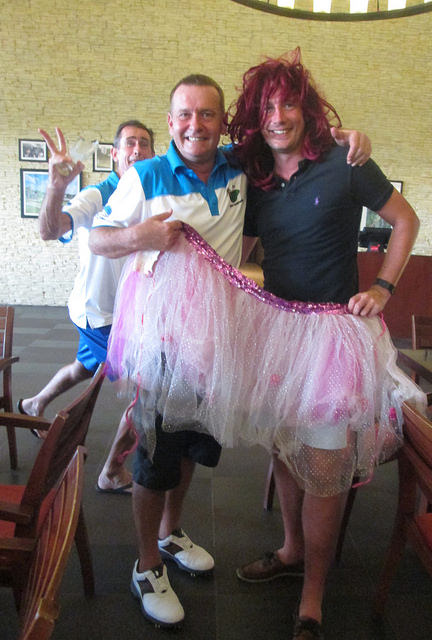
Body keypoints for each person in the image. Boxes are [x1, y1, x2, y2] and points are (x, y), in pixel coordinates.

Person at [89, 74, 371, 628]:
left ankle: (170, 534)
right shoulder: (145, 175)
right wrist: (140, 237)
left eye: (207, 115)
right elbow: (97, 237)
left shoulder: (240, 170)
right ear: (170, 121)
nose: (195, 125)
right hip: (162, 348)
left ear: (224, 123)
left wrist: (344, 136)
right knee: (153, 459)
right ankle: (146, 565)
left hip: (217, 347)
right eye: (184, 114)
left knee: (192, 448)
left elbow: (291, 140)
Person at [226, 49, 423, 640]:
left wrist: (383, 287)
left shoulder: (346, 161)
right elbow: (240, 244)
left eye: (288, 104)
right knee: (285, 449)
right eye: (267, 109)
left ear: (307, 109)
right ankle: (291, 550)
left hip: (335, 337)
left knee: (327, 468)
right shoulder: (256, 175)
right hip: (278, 334)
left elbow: (406, 220)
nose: (278, 117)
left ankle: (313, 593)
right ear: (255, 118)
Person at [18, 121, 155, 493]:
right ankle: (112, 471)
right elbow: (50, 229)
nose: (137, 150)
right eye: (130, 143)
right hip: (101, 316)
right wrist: (57, 186)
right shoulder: (98, 194)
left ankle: (34, 403)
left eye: (144, 144)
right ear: (115, 154)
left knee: (83, 367)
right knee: (149, 393)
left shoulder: (151, 196)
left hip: (117, 314)